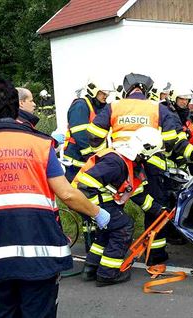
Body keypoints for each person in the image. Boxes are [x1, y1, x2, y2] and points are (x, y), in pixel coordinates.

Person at [0, 78, 111, 317]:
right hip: (39, 254)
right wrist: (98, 213)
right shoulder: (39, 144)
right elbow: (67, 193)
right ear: (15, 107)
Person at [87, 73, 193, 266]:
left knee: (113, 212)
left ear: (125, 90)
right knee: (154, 210)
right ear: (148, 90)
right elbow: (173, 141)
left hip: (119, 166)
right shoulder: (156, 107)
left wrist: (104, 155)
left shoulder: (114, 106)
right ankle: (154, 255)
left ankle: (95, 261)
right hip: (151, 166)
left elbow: (93, 135)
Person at [72, 127, 165, 286]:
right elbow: (86, 185)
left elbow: (137, 194)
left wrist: (158, 210)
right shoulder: (115, 161)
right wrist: (97, 211)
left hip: (91, 200)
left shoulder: (129, 162)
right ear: (144, 151)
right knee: (123, 227)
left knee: (108, 230)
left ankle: (91, 268)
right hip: (85, 199)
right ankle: (108, 274)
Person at [64, 78, 112, 252]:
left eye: (107, 94)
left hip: (90, 162)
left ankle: (96, 243)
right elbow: (81, 134)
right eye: (102, 93)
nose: (105, 96)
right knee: (83, 203)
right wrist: (92, 156)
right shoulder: (81, 105)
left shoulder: (100, 107)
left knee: (92, 203)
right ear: (93, 91)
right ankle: (90, 245)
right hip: (78, 164)